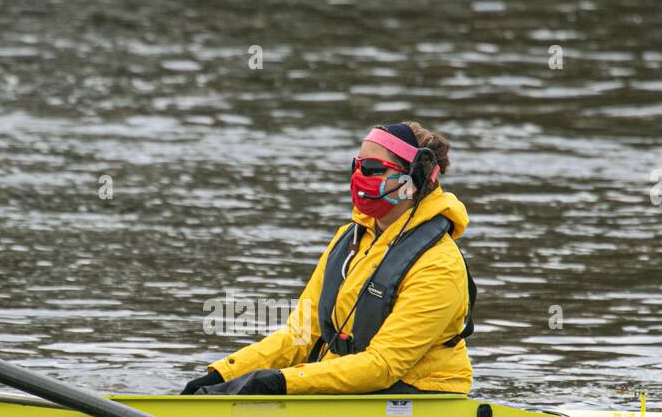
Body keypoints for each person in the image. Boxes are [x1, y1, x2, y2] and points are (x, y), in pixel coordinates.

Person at [182, 121, 474, 396]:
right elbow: (301, 335)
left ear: (414, 179)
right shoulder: (348, 240)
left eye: (373, 168)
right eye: (356, 166)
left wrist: (280, 382)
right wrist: (223, 374)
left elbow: (383, 365)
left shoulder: (439, 265)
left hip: (419, 395)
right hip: (361, 388)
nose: (359, 176)